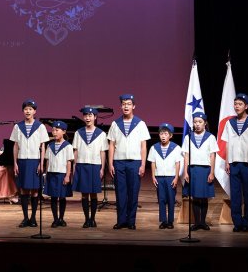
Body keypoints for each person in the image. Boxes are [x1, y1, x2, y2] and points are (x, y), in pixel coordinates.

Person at [108, 93, 150, 230]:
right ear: (121, 106)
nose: (126, 106)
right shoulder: (115, 124)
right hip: (119, 162)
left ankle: (131, 221)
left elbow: (143, 146)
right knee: (120, 193)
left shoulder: (140, 123)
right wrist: (110, 163)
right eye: (124, 104)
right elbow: (112, 145)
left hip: (135, 162)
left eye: (129, 104)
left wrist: (143, 164)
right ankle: (121, 221)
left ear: (134, 106)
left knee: (133, 192)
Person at [223, 93, 248, 232]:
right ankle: (237, 223)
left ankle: (246, 222)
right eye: (235, 104)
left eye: (240, 104)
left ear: (246, 106)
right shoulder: (230, 123)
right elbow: (227, 144)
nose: (237, 106)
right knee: (235, 195)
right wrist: (227, 161)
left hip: (247, 164)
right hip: (234, 163)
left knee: (247, 194)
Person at [9, 99, 49, 227]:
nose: (28, 111)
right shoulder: (17, 126)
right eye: (26, 109)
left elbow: (43, 146)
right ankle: (25, 217)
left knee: (35, 191)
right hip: (22, 161)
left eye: (30, 109)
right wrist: (15, 163)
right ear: (23, 111)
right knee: (24, 190)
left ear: (34, 111)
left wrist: (41, 163)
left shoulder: (40, 126)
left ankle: (33, 218)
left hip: (34, 161)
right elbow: (15, 146)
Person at [71, 106, 108, 228]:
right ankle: (86, 219)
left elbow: (103, 152)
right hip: (82, 165)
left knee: (93, 194)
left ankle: (93, 219)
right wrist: (74, 167)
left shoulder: (101, 134)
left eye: (90, 116)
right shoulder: (78, 133)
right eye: (86, 115)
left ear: (95, 117)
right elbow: (75, 151)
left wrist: (102, 168)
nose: (88, 118)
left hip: (95, 165)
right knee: (84, 194)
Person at [182, 113, 218, 230]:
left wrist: (212, 172)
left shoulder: (210, 137)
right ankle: (197, 222)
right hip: (193, 169)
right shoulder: (188, 137)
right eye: (195, 122)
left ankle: (203, 222)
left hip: (205, 169)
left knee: (204, 196)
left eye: (200, 122)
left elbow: (212, 156)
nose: (197, 124)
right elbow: (186, 155)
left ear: (205, 123)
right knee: (195, 196)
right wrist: (186, 172)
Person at [148, 122, 182, 229]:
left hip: (171, 177)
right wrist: (153, 176)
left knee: (171, 199)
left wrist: (176, 177)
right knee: (161, 199)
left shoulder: (176, 148)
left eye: (166, 134)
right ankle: (163, 220)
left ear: (171, 136)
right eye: (161, 133)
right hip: (159, 177)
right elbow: (153, 163)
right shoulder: (154, 148)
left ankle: (170, 221)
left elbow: (178, 163)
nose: (163, 136)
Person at [45, 120, 73, 227]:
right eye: (53, 130)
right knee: (53, 197)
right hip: (52, 174)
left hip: (62, 174)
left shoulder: (67, 146)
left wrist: (67, 176)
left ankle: (61, 218)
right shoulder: (50, 146)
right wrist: (46, 173)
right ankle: (55, 219)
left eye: (57, 130)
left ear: (64, 131)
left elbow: (69, 161)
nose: (54, 132)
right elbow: (47, 160)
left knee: (62, 197)